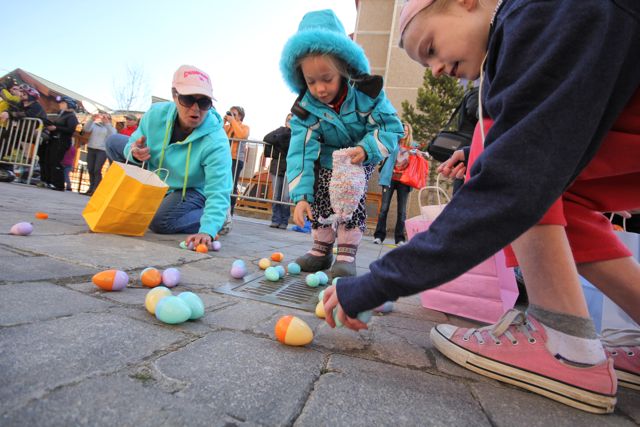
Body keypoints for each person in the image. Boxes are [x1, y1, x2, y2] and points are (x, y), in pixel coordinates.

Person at [322, 0, 640, 414]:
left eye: (431, 47)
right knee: (534, 176)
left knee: (502, 151)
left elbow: (510, 187)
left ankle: (565, 342)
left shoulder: (541, 13)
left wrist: (378, 282)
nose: (434, 69)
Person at [280, 9, 403, 277]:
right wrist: (301, 196)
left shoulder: (367, 94)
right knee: (322, 193)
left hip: (358, 156)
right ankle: (321, 250)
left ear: (344, 69)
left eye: (327, 79)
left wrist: (367, 149)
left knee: (349, 191)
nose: (320, 89)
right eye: (311, 81)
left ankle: (346, 253)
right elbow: (300, 153)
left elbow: (391, 127)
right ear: (301, 78)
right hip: (326, 160)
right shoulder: (304, 110)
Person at [106, 64, 232, 248]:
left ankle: (221, 218)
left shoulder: (216, 141)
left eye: (204, 102)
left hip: (192, 189)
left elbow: (219, 188)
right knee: (113, 142)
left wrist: (208, 229)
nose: (196, 109)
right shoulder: (155, 114)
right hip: (159, 176)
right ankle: (136, 200)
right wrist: (133, 152)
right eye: (188, 99)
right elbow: (132, 142)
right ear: (174, 95)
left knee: (160, 222)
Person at [373, 122, 416, 246]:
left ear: (409, 133)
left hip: (404, 181)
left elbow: (419, 160)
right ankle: (379, 236)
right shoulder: (392, 143)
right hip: (389, 179)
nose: (404, 132)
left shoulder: (413, 147)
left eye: (406, 130)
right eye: (402, 130)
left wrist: (418, 154)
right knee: (384, 209)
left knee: (402, 211)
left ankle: (400, 239)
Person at [263, 113, 293, 229]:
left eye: (293, 120)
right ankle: (275, 219)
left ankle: (284, 221)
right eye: (288, 120)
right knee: (276, 195)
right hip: (277, 167)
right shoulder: (280, 130)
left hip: (290, 168)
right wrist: (283, 134)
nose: (290, 122)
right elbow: (267, 138)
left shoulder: (298, 133)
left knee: (285, 196)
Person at [44, 96, 79, 191]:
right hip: (55, 139)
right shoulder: (61, 114)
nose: (60, 104)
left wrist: (56, 128)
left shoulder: (71, 116)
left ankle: (58, 184)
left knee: (56, 161)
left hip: (62, 141)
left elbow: (71, 129)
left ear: (69, 105)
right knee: (50, 160)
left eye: (62, 103)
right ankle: (49, 181)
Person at [82, 112, 116, 195]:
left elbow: (112, 135)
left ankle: (96, 190)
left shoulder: (111, 128)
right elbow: (86, 129)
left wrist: (107, 123)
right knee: (90, 169)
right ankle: (90, 188)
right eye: (103, 117)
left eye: (107, 117)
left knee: (97, 170)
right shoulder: (95, 125)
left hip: (102, 150)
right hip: (91, 148)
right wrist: (91, 119)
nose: (104, 118)